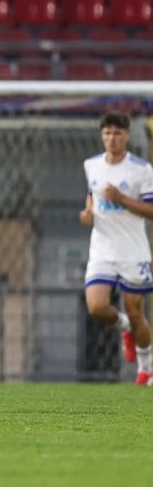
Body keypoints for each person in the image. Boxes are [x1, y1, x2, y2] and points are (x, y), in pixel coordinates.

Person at [80, 111, 153, 386]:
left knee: (137, 313)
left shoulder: (141, 170)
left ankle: (146, 369)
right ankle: (125, 329)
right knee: (97, 307)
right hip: (102, 248)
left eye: (117, 133)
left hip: (133, 250)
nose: (112, 138)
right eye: (107, 133)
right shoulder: (91, 165)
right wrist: (87, 214)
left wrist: (121, 198)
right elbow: (92, 197)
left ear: (126, 136)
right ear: (102, 135)